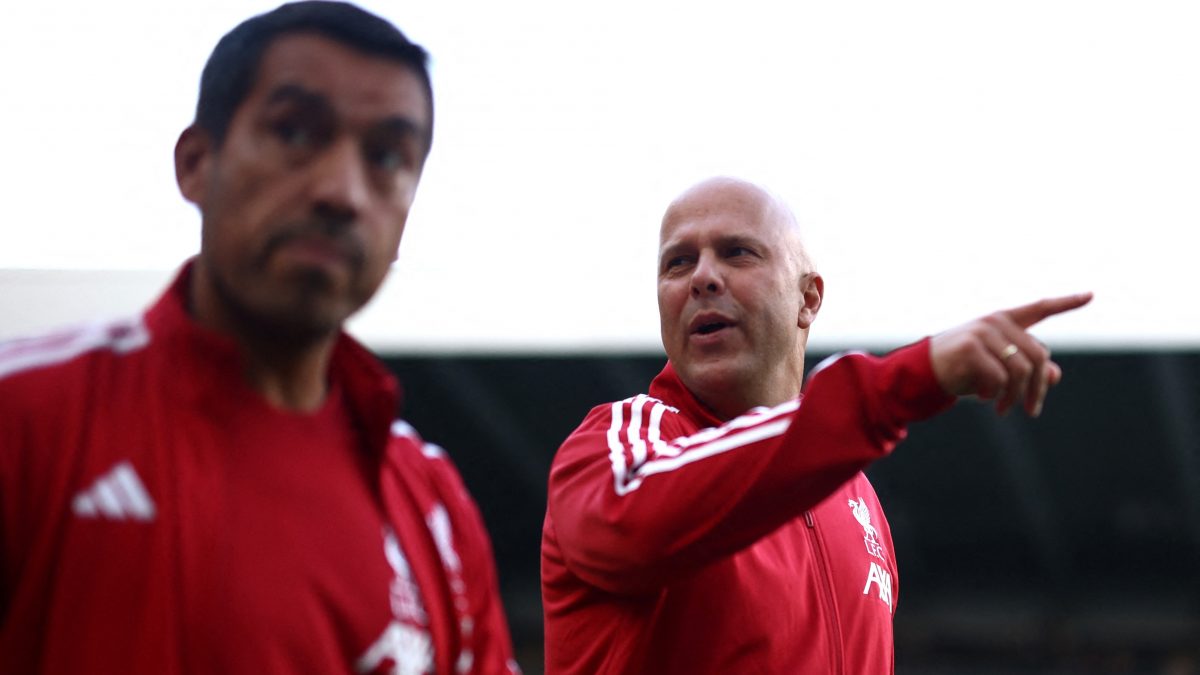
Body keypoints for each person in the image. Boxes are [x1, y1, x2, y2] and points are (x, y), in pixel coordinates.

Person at [0, 3, 517, 673]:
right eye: (296, 132)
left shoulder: (435, 503)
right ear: (195, 163)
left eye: (387, 156)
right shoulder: (25, 419)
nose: (341, 191)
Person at [540, 176, 1092, 674]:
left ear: (808, 299)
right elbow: (637, 529)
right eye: (678, 263)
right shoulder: (620, 446)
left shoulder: (856, 497)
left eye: (737, 253)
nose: (703, 277)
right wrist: (907, 380)